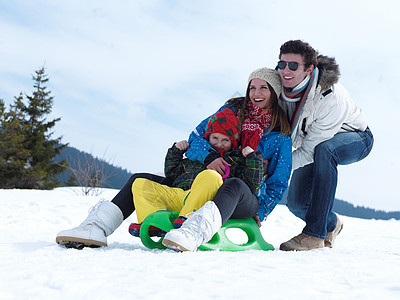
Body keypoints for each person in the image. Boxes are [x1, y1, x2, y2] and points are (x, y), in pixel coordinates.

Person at [161, 67, 292, 252]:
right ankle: (106, 224)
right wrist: (209, 157)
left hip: (245, 195)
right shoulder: (231, 112)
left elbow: (278, 182)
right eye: (252, 87)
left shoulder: (280, 137)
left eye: (264, 88)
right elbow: (196, 137)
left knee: (235, 185)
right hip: (208, 183)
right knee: (147, 179)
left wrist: (261, 211)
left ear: (274, 92)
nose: (256, 93)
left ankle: (192, 233)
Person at [275, 40, 374, 251]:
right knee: (297, 204)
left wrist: (276, 167)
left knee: (325, 150)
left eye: (293, 66)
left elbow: (311, 150)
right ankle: (331, 224)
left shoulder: (331, 98)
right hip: (315, 143)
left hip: (356, 138)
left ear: (309, 69)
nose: (286, 71)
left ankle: (314, 234)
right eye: (282, 64)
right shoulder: (280, 89)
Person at [129, 108, 263, 236]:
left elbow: (250, 185)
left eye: (225, 140)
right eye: (215, 138)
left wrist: (253, 158)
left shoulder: (234, 161)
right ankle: (153, 221)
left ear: (232, 142)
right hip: (180, 196)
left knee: (211, 176)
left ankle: (189, 220)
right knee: (140, 184)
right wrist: (176, 152)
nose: (219, 143)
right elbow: (172, 173)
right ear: (208, 137)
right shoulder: (197, 157)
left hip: (204, 202)